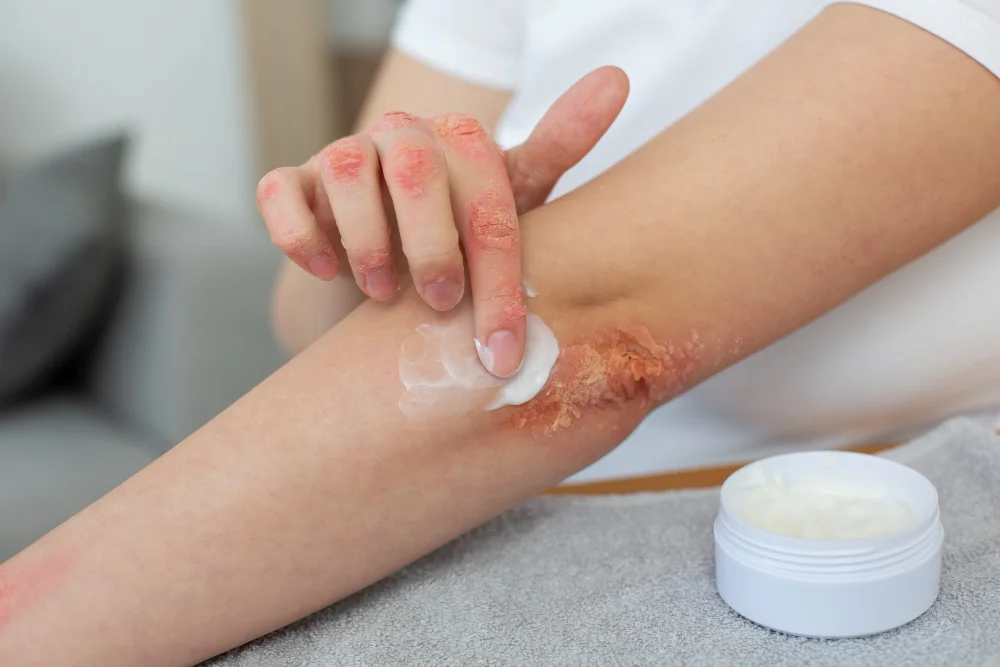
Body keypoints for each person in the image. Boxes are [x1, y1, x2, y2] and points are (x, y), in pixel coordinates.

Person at [1, 2, 999, 665]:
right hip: (450, 511)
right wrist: (374, 244)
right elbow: (305, 328)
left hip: (856, 547)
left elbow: (606, 339)